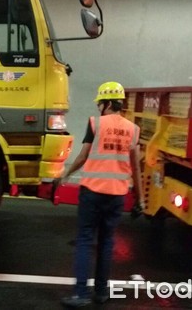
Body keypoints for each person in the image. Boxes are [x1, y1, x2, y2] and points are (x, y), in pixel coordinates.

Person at [60, 81, 142, 307]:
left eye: (100, 103)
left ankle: (80, 295)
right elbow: (136, 167)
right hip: (116, 196)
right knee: (107, 242)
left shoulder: (95, 123)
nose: (98, 108)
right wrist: (140, 199)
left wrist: (66, 174)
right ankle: (101, 292)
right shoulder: (133, 129)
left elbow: (83, 156)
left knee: (85, 241)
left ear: (106, 104)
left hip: (92, 192)